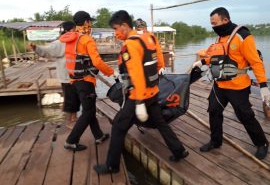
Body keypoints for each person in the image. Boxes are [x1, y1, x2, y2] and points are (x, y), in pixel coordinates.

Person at [94, 10, 188, 174]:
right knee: (160, 123)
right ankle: (179, 150)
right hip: (153, 91)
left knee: (118, 127)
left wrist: (138, 103)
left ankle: (111, 165)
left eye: (116, 29)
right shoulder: (149, 37)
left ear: (124, 26)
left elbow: (136, 74)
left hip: (139, 95)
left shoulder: (131, 44)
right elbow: (159, 63)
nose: (116, 33)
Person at [193, 7, 270, 160]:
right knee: (214, 111)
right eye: (211, 24)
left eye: (215, 23)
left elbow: (256, 62)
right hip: (220, 85)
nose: (213, 27)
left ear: (225, 20)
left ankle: (262, 143)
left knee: (245, 116)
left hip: (238, 86)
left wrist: (263, 85)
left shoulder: (243, 36)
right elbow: (216, 57)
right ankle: (216, 141)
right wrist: (202, 61)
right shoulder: (219, 38)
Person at [60, 11, 118, 151]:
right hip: (86, 81)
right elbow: (97, 62)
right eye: (90, 21)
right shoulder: (87, 39)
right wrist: (112, 72)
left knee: (89, 110)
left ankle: (98, 136)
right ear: (86, 22)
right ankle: (71, 141)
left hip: (73, 80)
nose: (90, 24)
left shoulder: (70, 38)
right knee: (88, 112)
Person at [28, 21, 79, 128]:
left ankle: (75, 118)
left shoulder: (77, 40)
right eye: (75, 29)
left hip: (77, 76)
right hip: (66, 76)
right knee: (69, 100)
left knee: (76, 98)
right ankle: (69, 121)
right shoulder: (59, 42)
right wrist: (36, 48)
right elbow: (47, 50)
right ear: (70, 29)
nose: (76, 30)